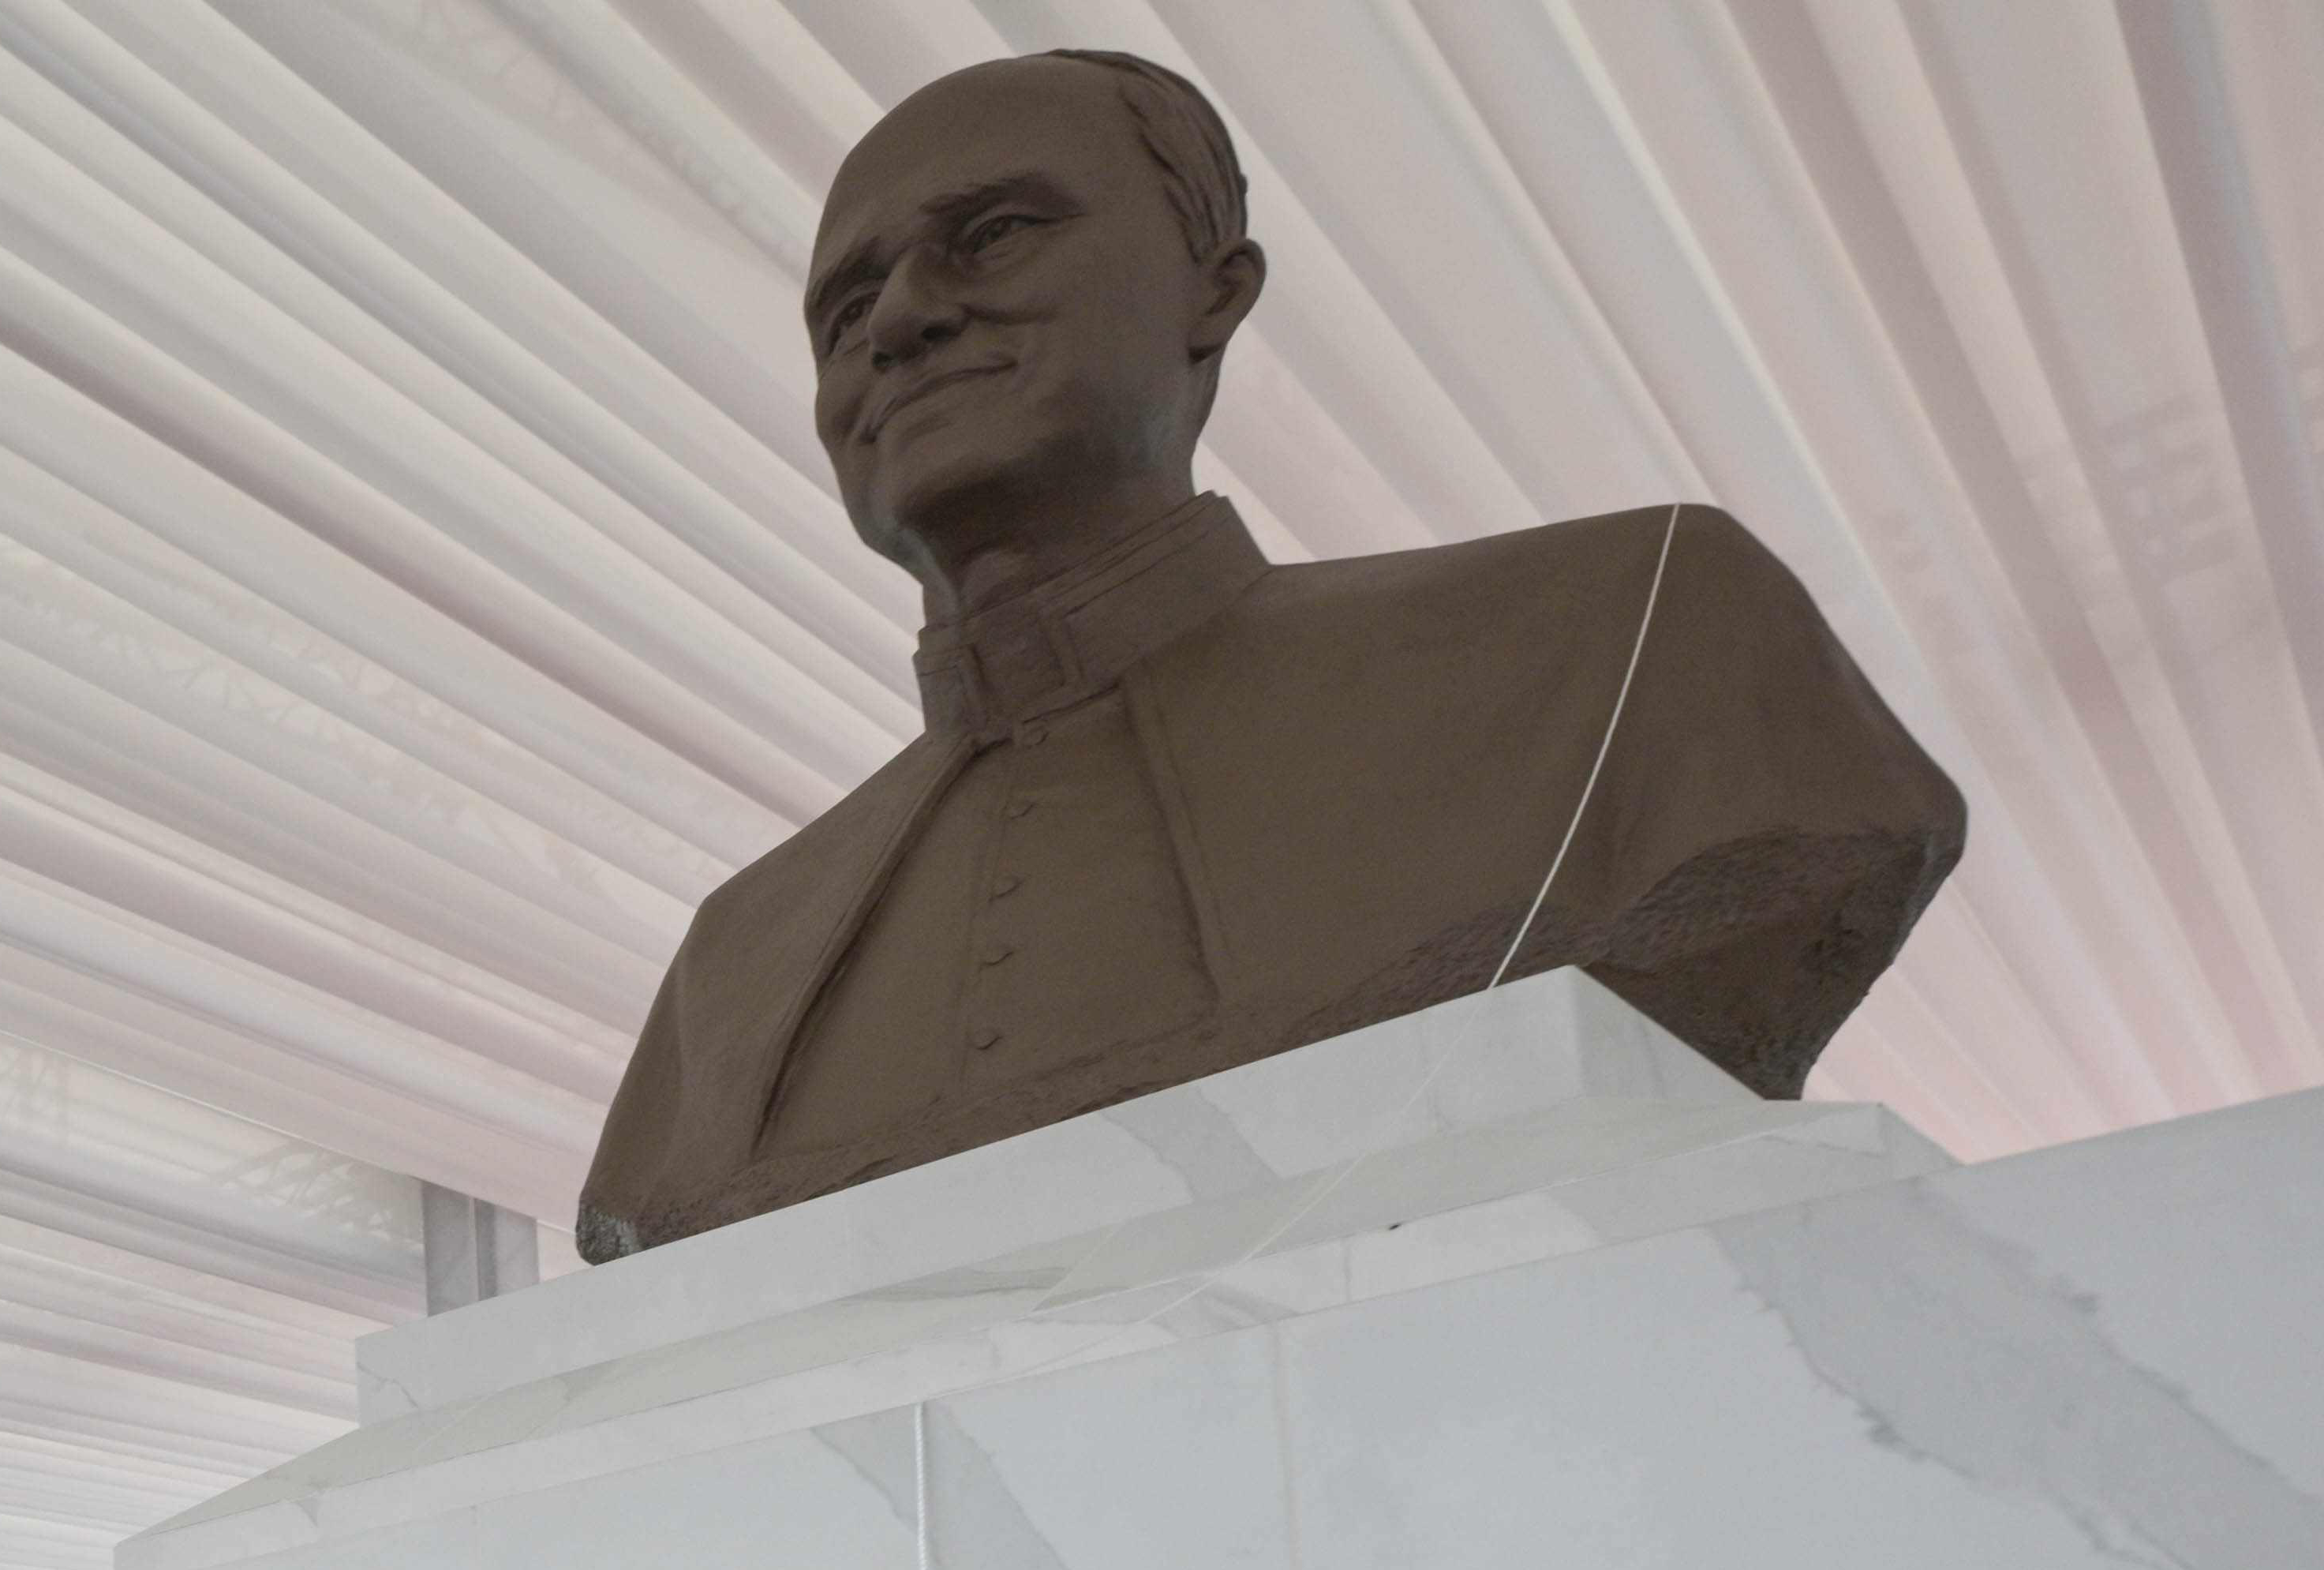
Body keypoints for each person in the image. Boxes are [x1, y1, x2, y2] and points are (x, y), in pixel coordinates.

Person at [574, 47, 1958, 1257]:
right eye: (841, 309)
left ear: (1213, 291)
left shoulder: (1644, 632)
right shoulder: (730, 966)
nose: (897, 322)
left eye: (990, 235)